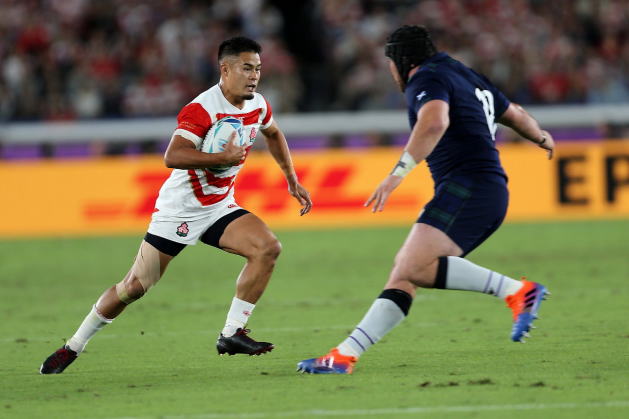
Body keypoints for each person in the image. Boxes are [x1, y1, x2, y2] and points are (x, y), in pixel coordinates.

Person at [40, 36, 312, 374]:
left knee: (267, 248)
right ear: (225, 69)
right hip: (179, 210)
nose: (254, 76)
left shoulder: (257, 104)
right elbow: (173, 155)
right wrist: (221, 158)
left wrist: (291, 179)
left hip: (218, 207)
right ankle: (73, 346)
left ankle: (231, 333)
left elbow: (273, 134)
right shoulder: (202, 109)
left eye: (257, 68)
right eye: (246, 68)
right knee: (134, 287)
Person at [297, 25, 553, 374]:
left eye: (391, 64)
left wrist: (396, 174)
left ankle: (518, 291)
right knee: (404, 273)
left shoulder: (426, 78)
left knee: (414, 266)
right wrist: (541, 137)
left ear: (402, 61)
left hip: (469, 187)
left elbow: (434, 122)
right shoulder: (465, 74)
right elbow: (516, 114)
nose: (391, 72)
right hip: (482, 189)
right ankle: (344, 355)